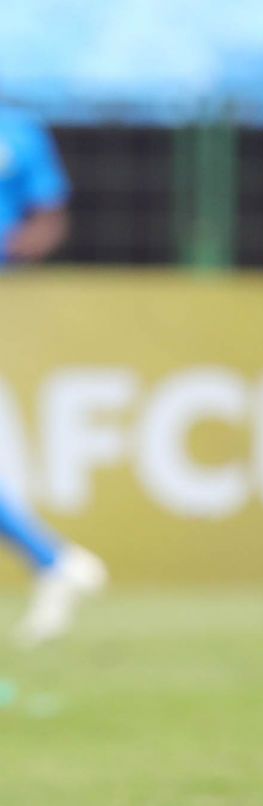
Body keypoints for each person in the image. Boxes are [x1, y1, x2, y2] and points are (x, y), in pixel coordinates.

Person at [1, 104, 105, 647]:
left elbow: (47, 218)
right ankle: (53, 560)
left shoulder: (17, 132)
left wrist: (14, 252)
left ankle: (53, 560)